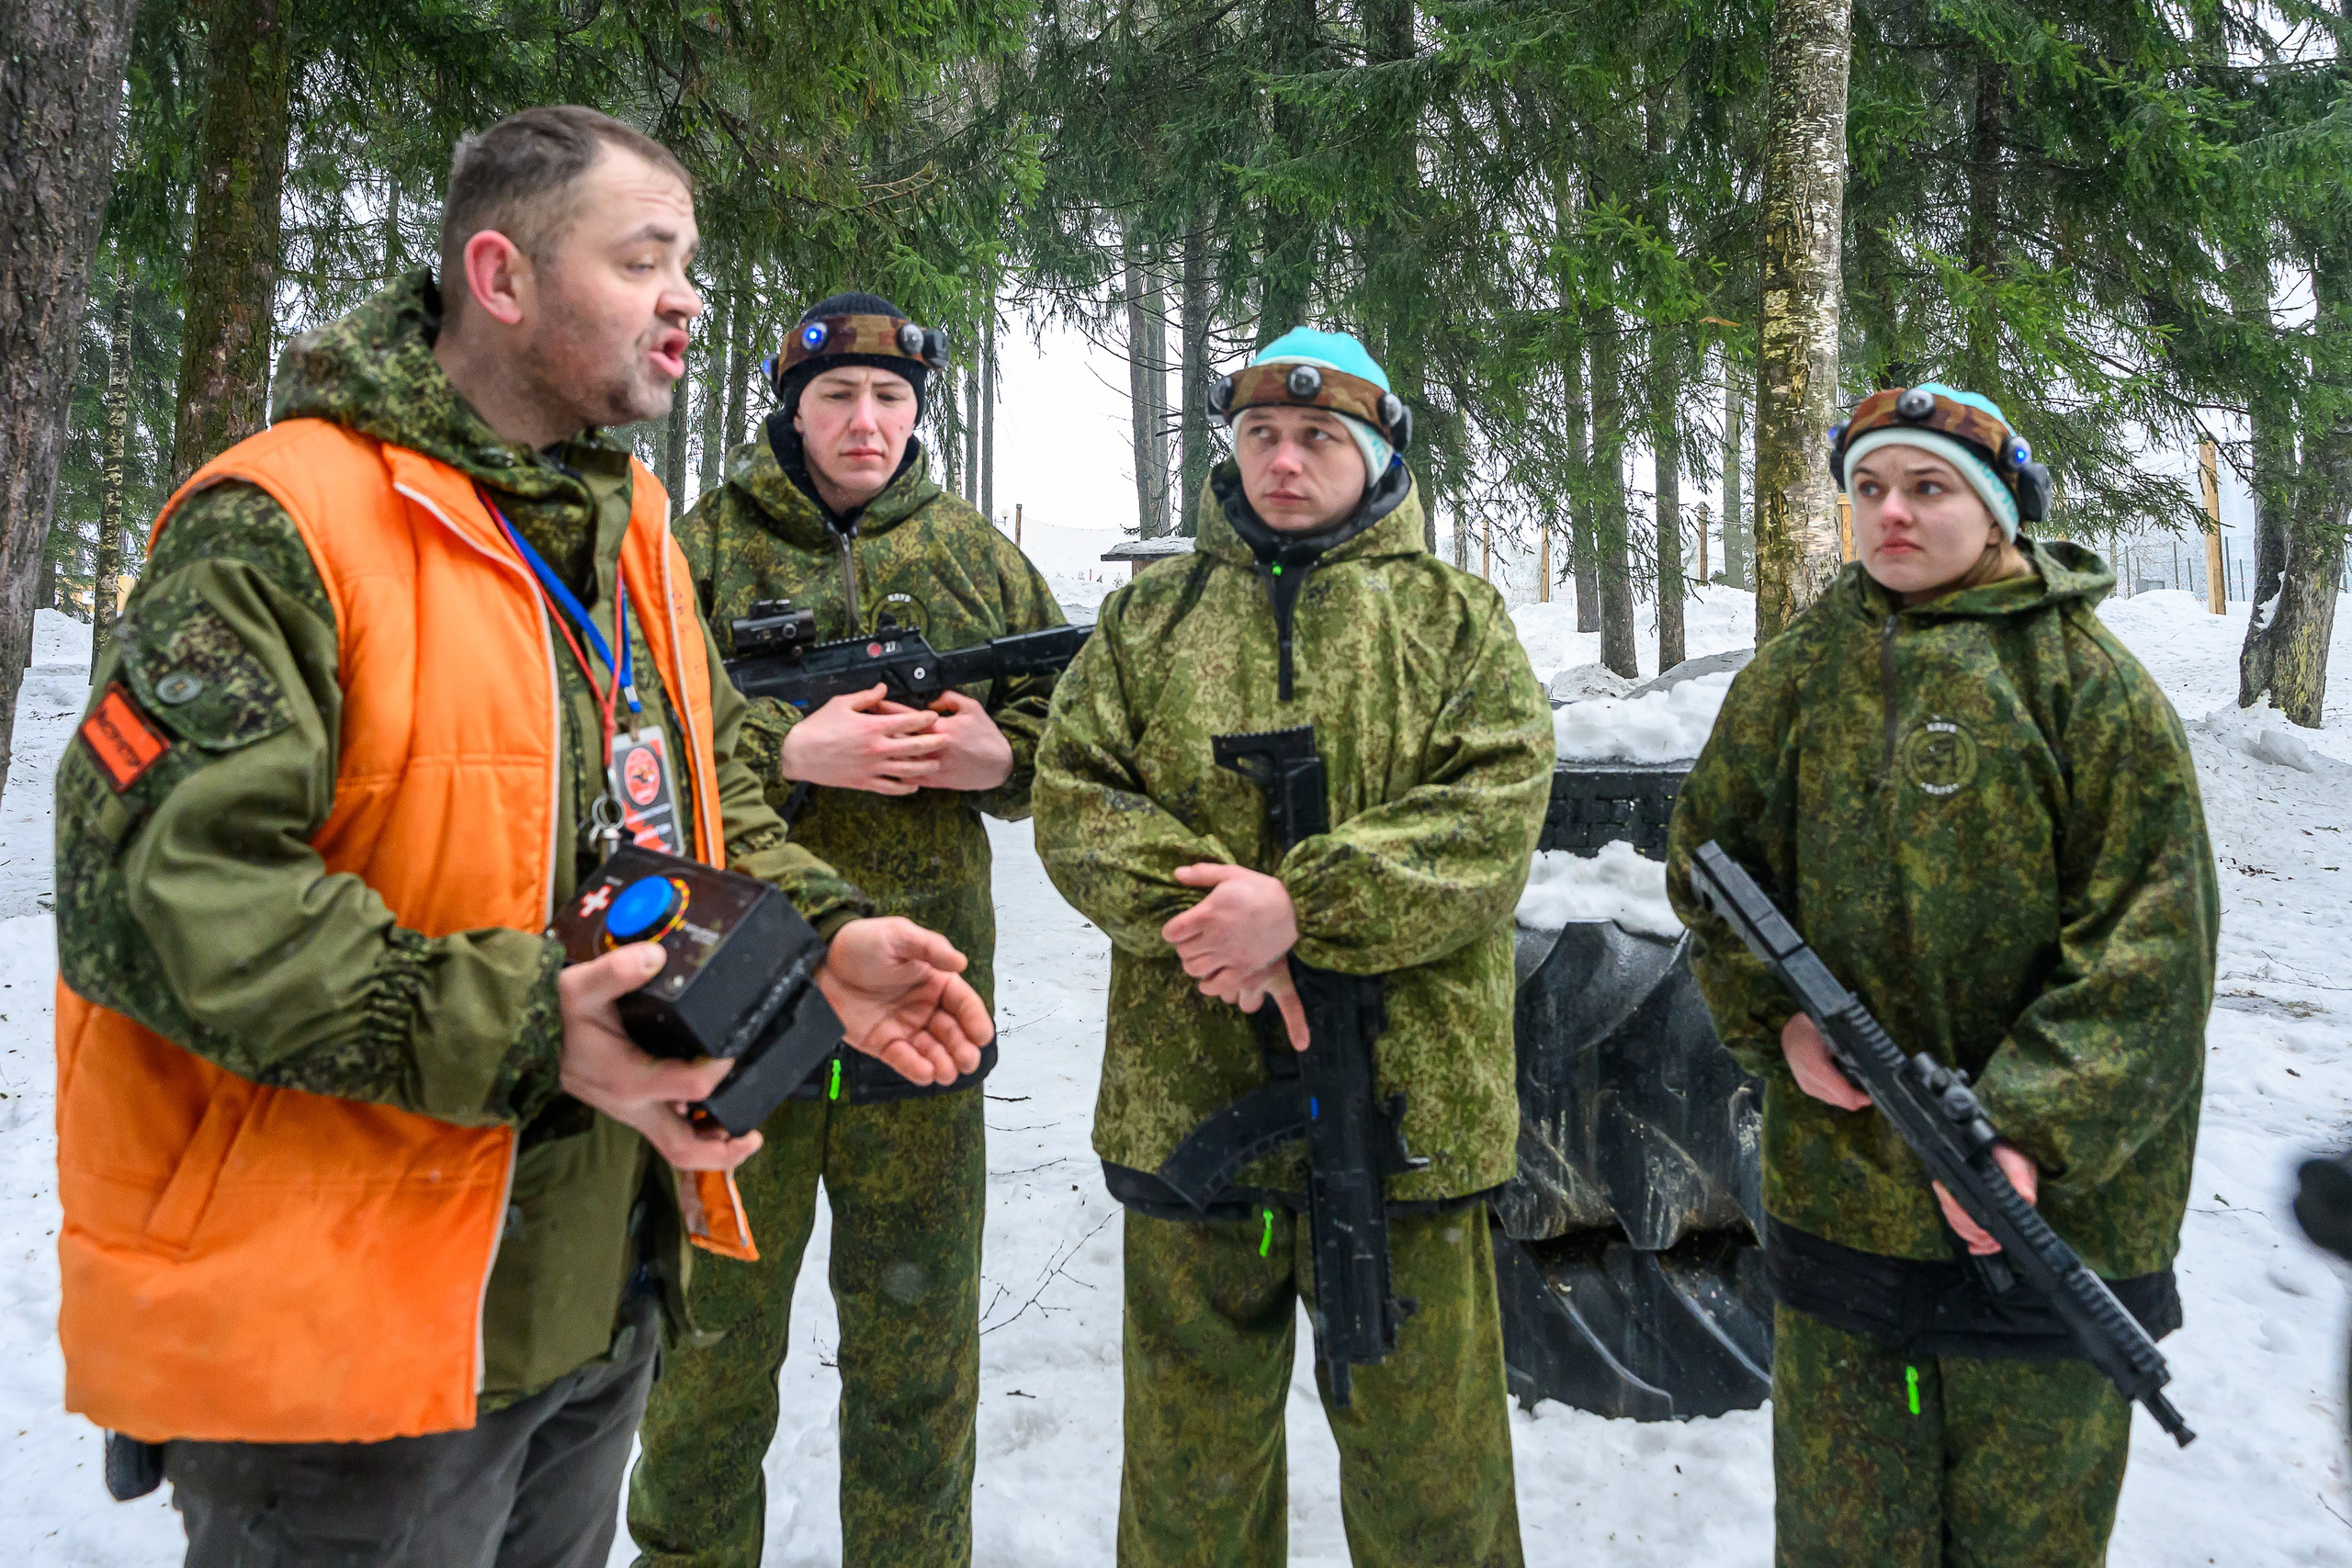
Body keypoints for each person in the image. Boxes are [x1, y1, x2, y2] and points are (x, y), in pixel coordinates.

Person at [51, 105, 992, 1568]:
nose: (687, 297)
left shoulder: (624, 532)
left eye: (690, 263)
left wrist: (816, 946)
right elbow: (160, 891)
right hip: (349, 1350)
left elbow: (705, 793)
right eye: (645, 259)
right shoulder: (286, 523)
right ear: (501, 277)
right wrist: (529, 1031)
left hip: (590, 1293)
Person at [1665, 383, 2219, 1566]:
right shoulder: (1798, 678)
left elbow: (2151, 950)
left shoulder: (2090, 687)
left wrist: (2024, 1134)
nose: (1891, 516)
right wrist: (1781, 1030)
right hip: (1848, 1219)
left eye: (1928, 488)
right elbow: (1709, 872)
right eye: (1868, 489)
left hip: (2053, 1227)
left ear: (2002, 509)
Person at [1032, 328, 1553, 1568]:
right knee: (1189, 1490)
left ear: (1376, 456)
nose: (1283, 459)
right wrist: (1218, 921)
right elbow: (1073, 795)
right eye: (1261, 435)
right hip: (1188, 1113)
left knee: (1436, 1490)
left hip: (1407, 1125)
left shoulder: (1455, 619)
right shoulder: (1152, 617)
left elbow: (1494, 814)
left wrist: (1303, 906)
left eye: (1318, 437)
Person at [628, 291, 1066, 1568]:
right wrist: (790, 748)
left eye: (889, 398)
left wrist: (1001, 756)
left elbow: (1079, 731)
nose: (865, 422)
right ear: (792, 409)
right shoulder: (696, 551)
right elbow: (635, 743)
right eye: (837, 397)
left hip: (921, 1015)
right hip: (725, 1010)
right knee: (708, 1361)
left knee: (917, 1359)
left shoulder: (977, 557)